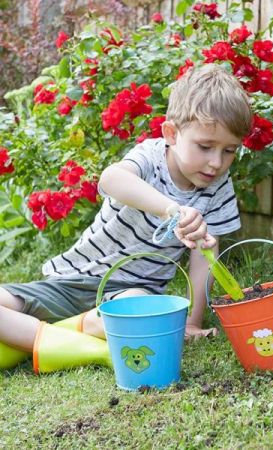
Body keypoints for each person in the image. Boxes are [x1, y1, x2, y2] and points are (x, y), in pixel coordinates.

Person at [0, 64, 253, 372]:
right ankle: (69, 337)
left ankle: (39, 336)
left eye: (229, 151)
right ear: (171, 134)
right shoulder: (152, 157)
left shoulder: (218, 189)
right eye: (205, 146)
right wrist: (171, 210)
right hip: (73, 278)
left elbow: (205, 254)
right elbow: (111, 179)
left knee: (146, 318)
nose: (216, 163)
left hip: (132, 293)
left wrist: (192, 320)